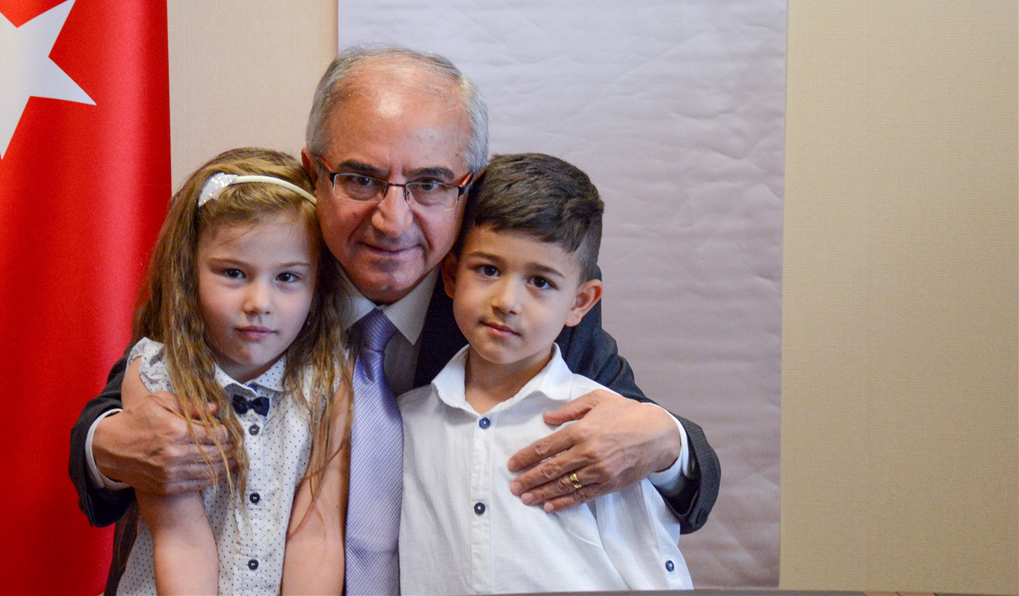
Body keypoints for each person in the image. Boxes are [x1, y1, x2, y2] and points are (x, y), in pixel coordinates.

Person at [70, 46, 720, 594]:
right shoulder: (261, 281)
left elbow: (677, 470)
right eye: (360, 178)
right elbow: (114, 419)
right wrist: (110, 446)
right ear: (313, 173)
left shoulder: (516, 309)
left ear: (468, 188)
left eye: (430, 184)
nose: (392, 219)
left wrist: (667, 444)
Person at [399, 153, 692, 594]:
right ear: (452, 275)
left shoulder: (604, 427)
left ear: (580, 303)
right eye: (488, 270)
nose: (507, 301)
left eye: (540, 282)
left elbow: (650, 567)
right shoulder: (404, 421)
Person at [111, 148, 350, 595]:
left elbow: (316, 536)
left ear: (318, 284)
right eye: (234, 273)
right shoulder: (157, 375)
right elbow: (182, 541)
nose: (259, 303)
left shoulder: (327, 382)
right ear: (189, 272)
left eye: (288, 277)